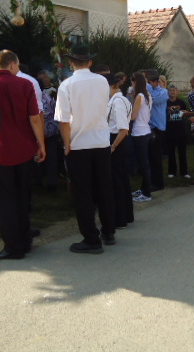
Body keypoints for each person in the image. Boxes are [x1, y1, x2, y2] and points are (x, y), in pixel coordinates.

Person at [0, 50, 46, 260]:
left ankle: (13, 245)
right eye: (17, 66)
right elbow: (34, 118)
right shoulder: (25, 84)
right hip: (25, 148)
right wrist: (41, 144)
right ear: (12, 64)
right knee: (23, 195)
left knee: (5, 199)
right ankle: (25, 240)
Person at [55, 44, 116, 253]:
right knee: (104, 188)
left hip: (79, 144)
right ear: (90, 62)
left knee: (83, 193)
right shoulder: (102, 81)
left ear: (71, 63)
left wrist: (66, 144)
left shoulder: (66, 85)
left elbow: (64, 121)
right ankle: (109, 231)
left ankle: (91, 238)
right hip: (101, 141)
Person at [105, 73, 134, 227]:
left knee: (117, 180)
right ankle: (126, 214)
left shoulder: (118, 102)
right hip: (117, 140)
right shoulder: (118, 100)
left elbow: (123, 129)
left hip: (117, 140)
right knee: (121, 178)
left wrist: (113, 146)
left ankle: (121, 217)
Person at [130, 72, 153, 202]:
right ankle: (144, 188)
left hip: (139, 131)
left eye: (132, 82)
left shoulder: (140, 96)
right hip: (145, 130)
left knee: (143, 163)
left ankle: (147, 193)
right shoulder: (147, 94)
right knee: (144, 162)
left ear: (136, 82)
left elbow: (133, 116)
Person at [146, 71, 168, 192]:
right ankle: (152, 181)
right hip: (150, 128)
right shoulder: (150, 90)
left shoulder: (163, 92)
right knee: (151, 157)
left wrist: (147, 88)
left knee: (156, 157)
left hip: (158, 128)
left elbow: (152, 100)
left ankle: (158, 183)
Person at [165, 85, 189, 179]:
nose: (172, 92)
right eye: (170, 90)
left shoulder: (181, 102)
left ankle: (184, 172)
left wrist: (182, 112)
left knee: (182, 152)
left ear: (177, 92)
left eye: (174, 90)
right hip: (170, 130)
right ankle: (172, 171)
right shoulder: (166, 103)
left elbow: (185, 113)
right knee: (171, 152)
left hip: (181, 129)